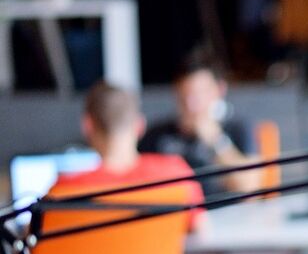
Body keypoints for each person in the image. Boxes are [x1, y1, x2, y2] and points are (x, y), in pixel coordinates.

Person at [51, 81, 204, 230]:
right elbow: (198, 227)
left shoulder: (63, 192)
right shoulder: (177, 175)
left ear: (88, 126)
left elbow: (34, 247)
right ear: (140, 125)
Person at [140, 50, 262, 195]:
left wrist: (216, 141)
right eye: (184, 97)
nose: (191, 105)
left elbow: (250, 187)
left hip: (225, 212)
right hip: (177, 211)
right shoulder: (158, 134)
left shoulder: (238, 127)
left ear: (219, 90)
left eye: (198, 95)